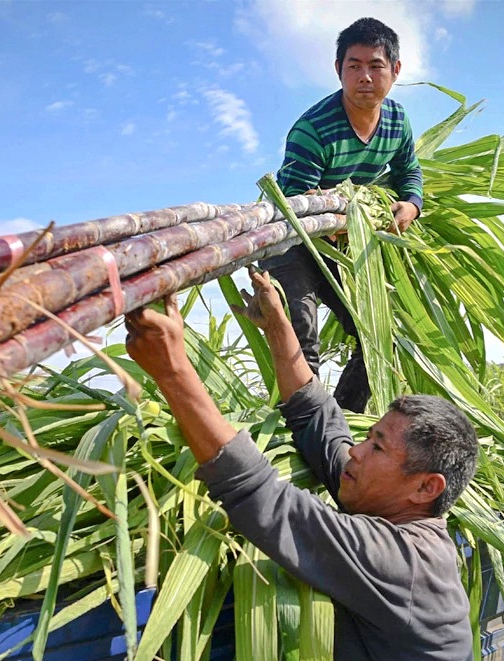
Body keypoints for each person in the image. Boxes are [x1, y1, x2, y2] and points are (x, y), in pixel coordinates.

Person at [124, 267, 479, 660]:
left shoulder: (403, 562)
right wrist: (277, 324)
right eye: (368, 437)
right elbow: (320, 424)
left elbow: (264, 500)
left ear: (426, 487)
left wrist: (173, 370)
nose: (357, 451)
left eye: (377, 448)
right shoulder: (394, 510)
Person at [260, 17, 424, 413]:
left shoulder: (397, 123)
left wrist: (411, 204)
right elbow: (299, 202)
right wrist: (337, 217)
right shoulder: (313, 129)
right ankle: (303, 438)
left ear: (395, 70)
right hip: (291, 242)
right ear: (338, 71)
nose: (364, 77)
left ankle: (343, 423)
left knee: (377, 337)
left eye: (375, 66)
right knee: (302, 344)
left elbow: (409, 171)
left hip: (342, 245)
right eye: (354, 66)